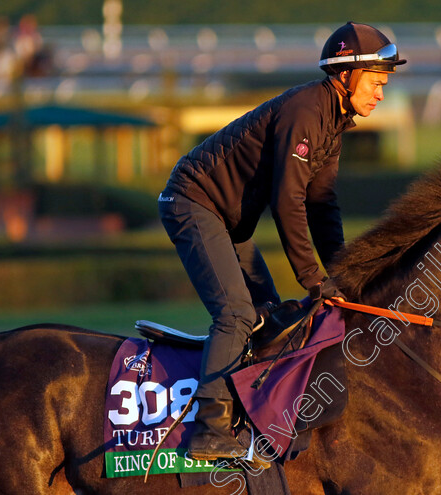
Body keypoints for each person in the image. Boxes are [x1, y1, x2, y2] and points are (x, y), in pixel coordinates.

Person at [158, 21, 406, 462]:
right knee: (236, 314)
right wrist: (313, 279)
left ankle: (251, 417)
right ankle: (210, 428)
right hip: (192, 203)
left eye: (383, 83)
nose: (381, 93)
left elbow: (321, 204)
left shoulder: (334, 118)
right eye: (375, 81)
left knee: (270, 315)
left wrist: (343, 274)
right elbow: (287, 201)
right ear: (345, 75)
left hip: (228, 219)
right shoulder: (307, 110)